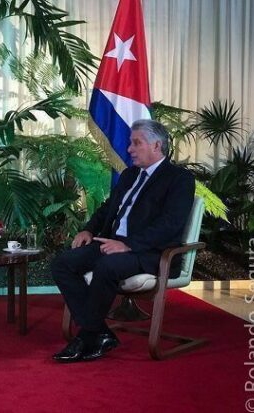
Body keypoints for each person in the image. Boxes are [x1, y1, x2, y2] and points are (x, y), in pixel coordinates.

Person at [51, 119, 195, 363]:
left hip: (150, 252)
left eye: (136, 143)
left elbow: (170, 223)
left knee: (106, 267)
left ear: (156, 145)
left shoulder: (179, 179)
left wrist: (128, 245)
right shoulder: (129, 175)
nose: (129, 149)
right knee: (62, 263)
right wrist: (88, 230)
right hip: (112, 243)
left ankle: (88, 335)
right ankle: (99, 332)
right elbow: (108, 208)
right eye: (131, 143)